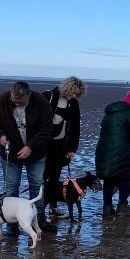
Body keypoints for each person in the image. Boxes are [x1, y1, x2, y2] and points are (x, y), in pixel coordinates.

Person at [0, 81, 56, 234]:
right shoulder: (1, 100)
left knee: (37, 185)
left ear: (28, 96)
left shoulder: (41, 102)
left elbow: (47, 127)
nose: (15, 102)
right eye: (13, 99)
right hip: (10, 153)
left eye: (20, 101)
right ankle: (12, 225)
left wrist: (31, 146)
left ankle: (40, 220)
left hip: (36, 152)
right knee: (11, 188)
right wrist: (0, 135)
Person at [42, 76, 87, 220]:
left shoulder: (73, 104)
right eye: (73, 92)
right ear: (67, 87)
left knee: (55, 178)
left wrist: (72, 148)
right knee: (42, 177)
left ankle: (53, 207)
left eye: (77, 95)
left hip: (60, 146)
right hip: (43, 144)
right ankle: (39, 208)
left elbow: (75, 128)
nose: (74, 96)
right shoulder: (48, 96)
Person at [95, 90, 130, 216]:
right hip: (121, 150)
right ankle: (122, 206)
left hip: (103, 149)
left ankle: (107, 207)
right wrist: (129, 140)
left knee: (109, 179)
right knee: (127, 177)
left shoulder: (108, 114)